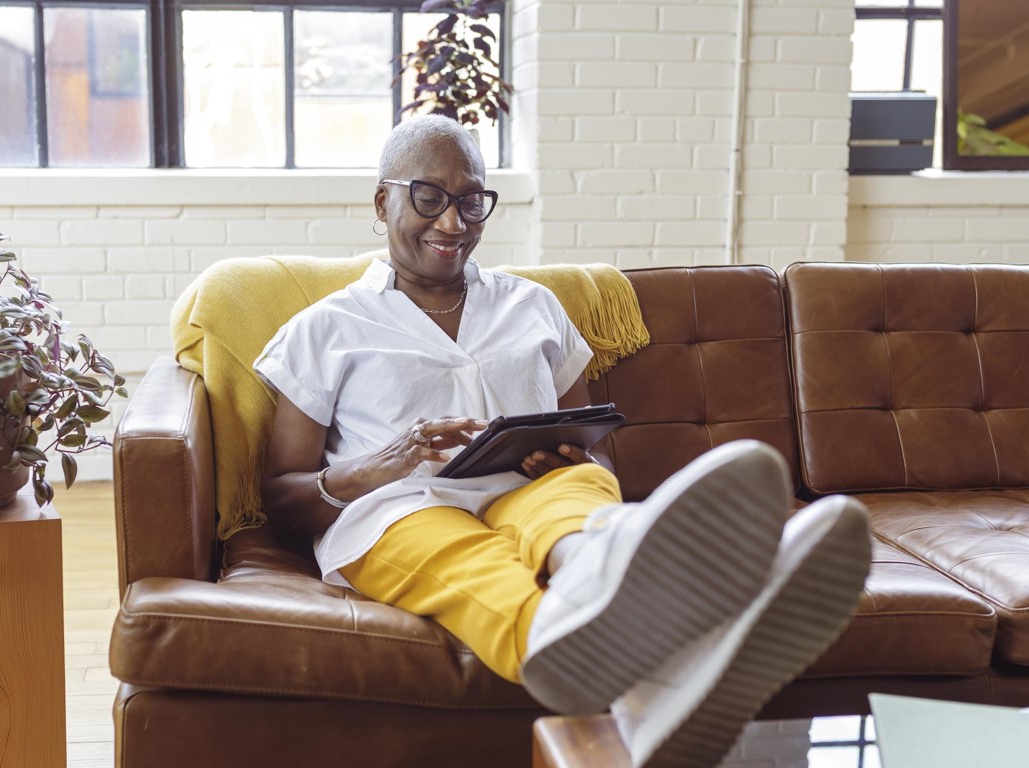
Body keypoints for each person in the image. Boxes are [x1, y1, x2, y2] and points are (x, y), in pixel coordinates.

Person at [256, 114, 871, 767]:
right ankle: (678, 639)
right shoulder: (324, 329)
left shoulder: (533, 305)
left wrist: (575, 456)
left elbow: (592, 443)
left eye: (471, 201)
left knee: (575, 490)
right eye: (429, 197)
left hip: (530, 490)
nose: (453, 222)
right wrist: (379, 466)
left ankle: (603, 574)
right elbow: (283, 500)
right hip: (397, 511)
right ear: (385, 202)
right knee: (474, 567)